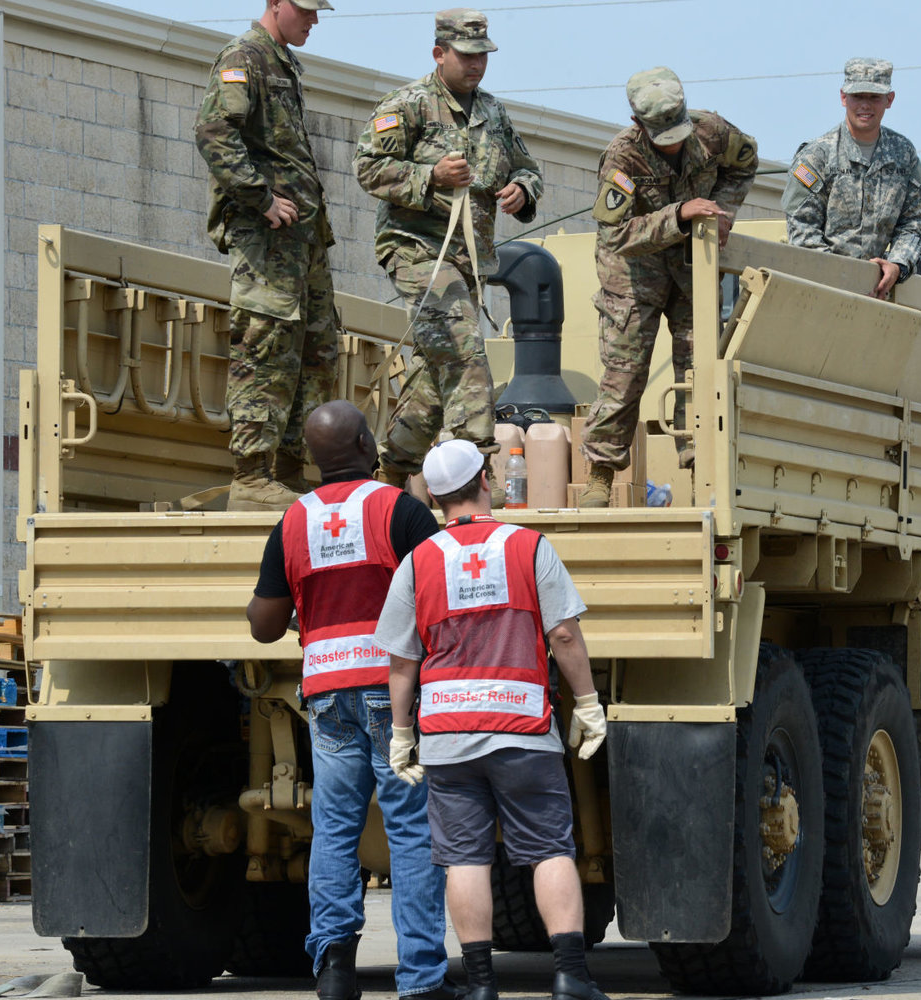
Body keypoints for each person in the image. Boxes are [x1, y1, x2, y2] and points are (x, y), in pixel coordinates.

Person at [375, 439, 610, 1000]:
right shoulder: (529, 548)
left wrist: (402, 733)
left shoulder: (417, 562)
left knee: (463, 859)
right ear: (487, 479)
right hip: (523, 732)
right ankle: (571, 976)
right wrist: (587, 702)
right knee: (550, 849)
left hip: (449, 738)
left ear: (432, 495)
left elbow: (403, 662)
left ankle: (481, 984)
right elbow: (563, 634)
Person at [246, 400, 457, 1000]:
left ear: (313, 460)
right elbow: (439, 592)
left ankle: (334, 970)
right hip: (391, 693)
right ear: (368, 444)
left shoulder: (293, 520)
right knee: (411, 832)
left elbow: (265, 624)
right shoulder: (399, 510)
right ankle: (420, 978)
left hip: (326, 693)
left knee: (334, 830)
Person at [354, 9, 543, 497]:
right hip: (417, 252)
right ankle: (478, 474)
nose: (476, 65)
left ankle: (392, 470)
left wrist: (521, 189)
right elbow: (367, 167)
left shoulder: (493, 112)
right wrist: (429, 176)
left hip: (470, 260)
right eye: (466, 55)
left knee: (437, 376)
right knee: (464, 351)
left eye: (483, 55)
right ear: (439, 54)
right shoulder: (408, 104)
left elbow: (527, 168)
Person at [578, 67, 757, 508]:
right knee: (624, 375)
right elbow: (614, 235)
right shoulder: (621, 158)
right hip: (633, 273)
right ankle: (601, 474)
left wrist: (726, 213)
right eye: (663, 135)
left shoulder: (713, 131)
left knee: (699, 370)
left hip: (691, 266)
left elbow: (746, 164)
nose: (674, 143)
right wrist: (678, 215)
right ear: (638, 123)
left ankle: (703, 472)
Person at [195, 0, 340, 511]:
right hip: (268, 240)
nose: (314, 20)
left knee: (316, 351)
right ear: (275, 3)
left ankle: (286, 469)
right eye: (305, 9)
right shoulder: (245, 57)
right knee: (265, 348)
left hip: (301, 241)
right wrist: (258, 196)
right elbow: (215, 132)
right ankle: (251, 476)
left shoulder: (283, 62)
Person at [782, 57, 921, 300]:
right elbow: (802, 228)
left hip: (880, 293)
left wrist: (898, 265)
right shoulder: (817, 156)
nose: (865, 105)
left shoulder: (903, 155)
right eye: (858, 96)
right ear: (843, 97)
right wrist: (840, 276)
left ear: (889, 100)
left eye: (874, 97)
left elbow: (914, 221)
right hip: (822, 291)